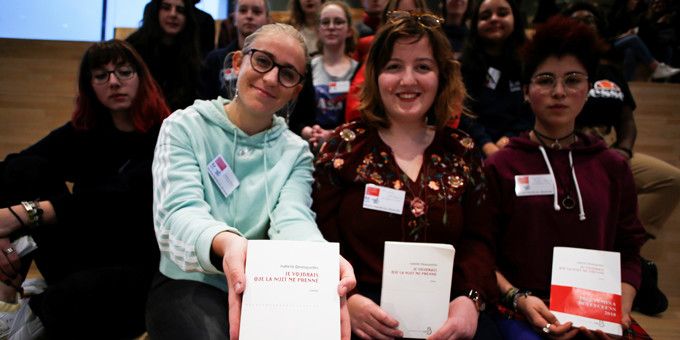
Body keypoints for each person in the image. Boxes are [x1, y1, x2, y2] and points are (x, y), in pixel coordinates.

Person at [146, 23, 356, 339]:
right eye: (262, 61)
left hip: (265, 284)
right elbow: (176, 214)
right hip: (190, 279)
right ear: (236, 63)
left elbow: (293, 219)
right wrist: (227, 243)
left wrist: (321, 262)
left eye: (287, 73)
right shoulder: (184, 126)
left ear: (296, 89)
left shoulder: (295, 151)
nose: (271, 77)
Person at [313, 12, 498, 339]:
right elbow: (317, 241)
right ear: (375, 75)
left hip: (447, 318)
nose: (408, 80)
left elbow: (478, 241)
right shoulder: (342, 149)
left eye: (423, 67)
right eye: (394, 66)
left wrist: (470, 301)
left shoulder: (463, 151)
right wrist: (344, 301)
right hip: (358, 319)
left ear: (442, 76)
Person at [484, 16, 649, 339]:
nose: (559, 92)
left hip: (598, 312)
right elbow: (482, 253)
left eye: (573, 80)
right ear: (526, 92)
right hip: (521, 309)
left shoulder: (612, 166)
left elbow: (629, 250)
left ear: (588, 90)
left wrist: (621, 309)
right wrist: (518, 298)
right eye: (545, 80)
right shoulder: (501, 166)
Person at [0, 39, 170, 339]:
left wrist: (28, 214)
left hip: (135, 257)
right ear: (90, 85)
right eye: (101, 75)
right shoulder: (85, 131)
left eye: (124, 72)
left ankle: (36, 306)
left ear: (141, 78)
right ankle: (8, 292)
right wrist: (3, 235)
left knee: (66, 300)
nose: (114, 82)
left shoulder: (167, 132)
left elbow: (121, 199)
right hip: (83, 246)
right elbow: (15, 165)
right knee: (26, 170)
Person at [564, 1, 680, 316]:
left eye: (590, 18)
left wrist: (624, 150)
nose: (584, 23)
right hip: (572, 150)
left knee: (670, 179)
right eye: (577, 19)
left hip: (611, 149)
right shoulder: (560, 69)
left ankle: (620, 247)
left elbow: (628, 121)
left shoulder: (612, 72)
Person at [459, 0, 532, 157]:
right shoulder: (464, 66)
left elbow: (532, 109)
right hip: (474, 148)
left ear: (515, 19)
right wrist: (486, 144)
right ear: (475, 24)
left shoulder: (530, 62)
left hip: (520, 145)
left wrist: (508, 139)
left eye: (502, 13)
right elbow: (465, 111)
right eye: (485, 16)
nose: (494, 19)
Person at [300, 0, 359, 150]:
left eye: (338, 22)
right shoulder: (306, 68)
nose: (331, 27)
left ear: (349, 30)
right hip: (311, 147)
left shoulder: (360, 71)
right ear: (318, 30)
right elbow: (295, 118)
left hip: (349, 148)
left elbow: (363, 122)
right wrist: (312, 132)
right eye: (325, 22)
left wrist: (333, 135)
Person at [127, 0, 202, 111]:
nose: (173, 14)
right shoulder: (134, 46)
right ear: (156, 12)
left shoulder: (190, 51)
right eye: (166, 8)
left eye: (180, 10)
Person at [199, 0, 270, 100]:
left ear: (267, 19)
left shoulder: (274, 63)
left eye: (257, 12)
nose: (249, 16)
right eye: (243, 10)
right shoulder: (215, 60)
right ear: (234, 18)